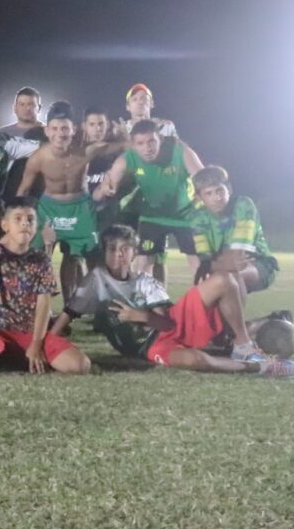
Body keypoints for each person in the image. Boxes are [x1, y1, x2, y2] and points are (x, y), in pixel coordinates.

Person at [50, 225, 291, 374]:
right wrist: (48, 341)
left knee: (226, 279)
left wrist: (142, 316)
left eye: (125, 248)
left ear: (135, 252)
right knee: (194, 359)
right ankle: (260, 366)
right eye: (112, 249)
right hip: (149, 344)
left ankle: (243, 346)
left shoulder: (145, 282)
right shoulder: (95, 279)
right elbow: (70, 310)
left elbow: (170, 324)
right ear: (104, 252)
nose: (118, 254)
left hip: (173, 322)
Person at [0, 197, 91, 375]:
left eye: (30, 219)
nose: (24, 223)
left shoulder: (40, 260)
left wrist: (36, 344)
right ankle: (0, 353)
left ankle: (19, 355)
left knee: (80, 365)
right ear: (5, 225)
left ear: (36, 226)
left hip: (28, 331)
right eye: (17, 219)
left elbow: (43, 304)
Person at [94, 119, 204, 283]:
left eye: (152, 141)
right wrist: (105, 189)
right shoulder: (126, 159)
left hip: (185, 214)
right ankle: (144, 303)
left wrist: (203, 200)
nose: (147, 148)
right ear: (133, 145)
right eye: (140, 143)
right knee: (143, 262)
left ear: (160, 138)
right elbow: (102, 191)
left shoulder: (181, 151)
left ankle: (203, 305)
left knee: (197, 263)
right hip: (152, 215)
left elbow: (204, 179)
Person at [15, 101, 101, 300]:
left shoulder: (86, 150)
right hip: (49, 208)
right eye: (54, 128)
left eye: (65, 128)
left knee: (83, 259)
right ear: (47, 130)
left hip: (79, 206)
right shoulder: (38, 157)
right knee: (36, 258)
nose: (60, 133)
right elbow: (24, 188)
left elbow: (116, 144)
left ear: (74, 129)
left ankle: (82, 305)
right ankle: (30, 304)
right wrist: (14, 216)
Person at [190, 165, 278, 296]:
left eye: (219, 190)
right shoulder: (197, 218)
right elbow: (205, 260)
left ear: (229, 189)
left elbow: (237, 258)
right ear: (199, 197)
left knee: (231, 279)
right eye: (209, 193)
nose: (217, 197)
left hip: (260, 264)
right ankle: (275, 317)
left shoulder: (243, 205)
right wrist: (211, 265)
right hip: (224, 270)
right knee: (212, 288)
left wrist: (212, 265)